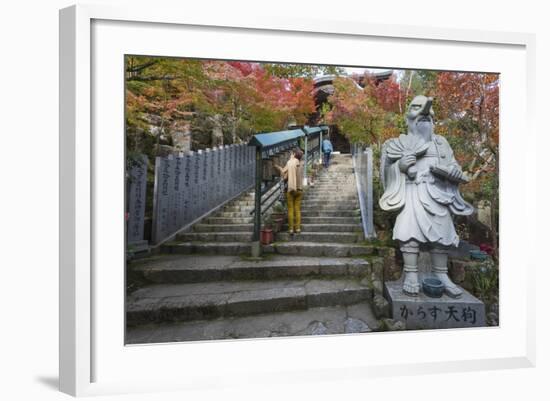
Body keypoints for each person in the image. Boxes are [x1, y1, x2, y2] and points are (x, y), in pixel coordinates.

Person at [379, 96, 473, 298]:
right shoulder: (397, 143)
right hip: (412, 191)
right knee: (408, 230)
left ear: (433, 120)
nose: (424, 116)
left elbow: (454, 165)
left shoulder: (441, 143)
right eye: (417, 110)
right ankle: (411, 273)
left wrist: (454, 172)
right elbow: (386, 173)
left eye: (428, 115)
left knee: (443, 234)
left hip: (438, 193)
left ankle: (441, 274)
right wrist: (400, 167)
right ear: (407, 118)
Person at [274, 148, 304, 234]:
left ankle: (291, 229)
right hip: (299, 189)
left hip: (291, 189)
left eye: (292, 153)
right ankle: (297, 228)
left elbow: (284, 173)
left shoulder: (290, 162)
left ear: (294, 154)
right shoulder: (301, 163)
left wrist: (278, 167)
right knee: (297, 209)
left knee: (290, 209)